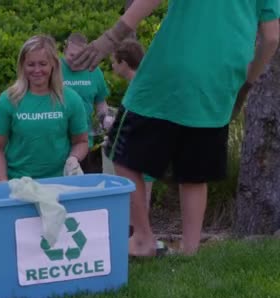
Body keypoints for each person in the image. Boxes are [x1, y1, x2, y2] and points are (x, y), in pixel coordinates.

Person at [71, 0, 280, 256]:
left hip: (171, 69)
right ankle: (190, 252)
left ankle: (143, 239)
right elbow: (271, 37)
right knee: (195, 171)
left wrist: (110, 38)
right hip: (224, 77)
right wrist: (247, 84)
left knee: (120, 149)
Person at [0, 34, 89, 182]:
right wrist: (3, 183)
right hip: (19, 184)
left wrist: (73, 159)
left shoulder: (71, 99)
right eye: (31, 64)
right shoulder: (9, 99)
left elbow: (81, 141)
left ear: (53, 64)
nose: (37, 70)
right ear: (22, 65)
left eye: (42, 64)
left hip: (60, 183)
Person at [109, 39, 155, 210]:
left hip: (145, 149)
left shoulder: (140, 87)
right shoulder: (140, 84)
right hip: (142, 148)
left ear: (124, 63)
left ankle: (140, 233)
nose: (113, 66)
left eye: (114, 62)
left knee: (140, 198)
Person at [61, 32, 111, 173]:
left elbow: (101, 104)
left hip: (84, 141)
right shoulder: (54, 69)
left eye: (80, 57)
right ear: (65, 51)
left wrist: (106, 123)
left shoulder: (94, 71)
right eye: (71, 56)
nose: (75, 60)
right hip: (57, 141)